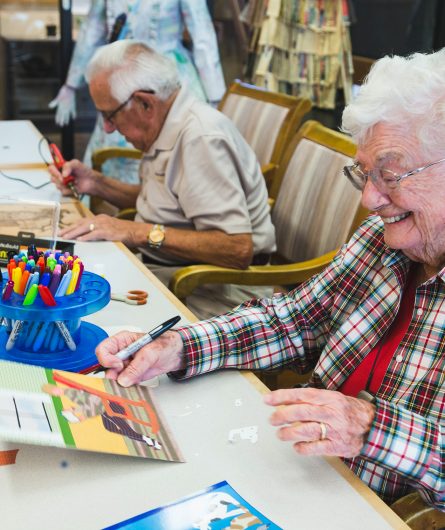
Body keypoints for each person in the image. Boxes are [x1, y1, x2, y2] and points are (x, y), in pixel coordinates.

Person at [95, 49, 445, 511]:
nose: (369, 197)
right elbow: (293, 321)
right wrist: (177, 347)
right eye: (363, 173)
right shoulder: (382, 242)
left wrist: (368, 427)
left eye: (390, 174)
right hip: (300, 472)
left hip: (376, 510)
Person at [49, 40, 276, 319]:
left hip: (214, 290)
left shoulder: (200, 139)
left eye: (109, 115)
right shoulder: (167, 122)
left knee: (78, 312)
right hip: (175, 270)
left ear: (145, 103)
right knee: (69, 283)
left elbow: (236, 248)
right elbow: (167, 201)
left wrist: (135, 231)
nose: (107, 129)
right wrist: (97, 184)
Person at [49, 0, 226, 184]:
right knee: (114, 142)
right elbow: (91, 30)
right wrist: (71, 84)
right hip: (119, 77)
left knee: (173, 153)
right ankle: (110, 199)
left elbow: (202, 32)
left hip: (164, 75)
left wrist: (215, 97)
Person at [42, 384, 162, 450]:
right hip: (104, 409)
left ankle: (150, 441)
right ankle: (145, 439)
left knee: (124, 429)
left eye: (54, 391)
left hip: (108, 407)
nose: (56, 394)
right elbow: (87, 407)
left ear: (56, 388)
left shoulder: (71, 392)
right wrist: (77, 412)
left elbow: (93, 402)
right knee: (110, 428)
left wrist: (79, 412)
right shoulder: (70, 395)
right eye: (54, 394)